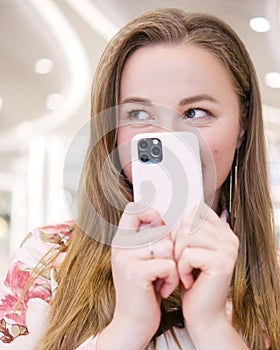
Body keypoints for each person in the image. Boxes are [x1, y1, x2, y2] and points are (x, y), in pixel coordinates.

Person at [0, 7, 279, 350]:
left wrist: (212, 327)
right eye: (139, 114)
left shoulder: (275, 275)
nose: (167, 140)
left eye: (195, 113)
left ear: (242, 126)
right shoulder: (46, 259)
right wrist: (128, 328)